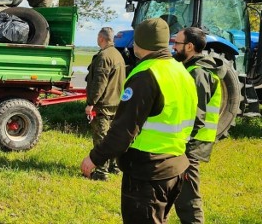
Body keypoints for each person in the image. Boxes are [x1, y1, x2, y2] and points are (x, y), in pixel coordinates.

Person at [80, 18, 198, 223]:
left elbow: (123, 129)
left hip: (148, 173)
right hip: (175, 168)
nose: (133, 45)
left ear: (142, 43)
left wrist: (95, 158)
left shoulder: (146, 75)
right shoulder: (182, 72)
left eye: (136, 40)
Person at [172, 27, 225, 224]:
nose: (173, 47)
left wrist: (182, 142)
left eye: (177, 43)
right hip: (186, 141)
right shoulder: (190, 68)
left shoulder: (199, 73)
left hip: (191, 143)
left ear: (190, 46)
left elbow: (197, 115)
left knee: (188, 197)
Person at [84, 27, 126, 181]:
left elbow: (99, 83)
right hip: (116, 103)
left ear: (101, 38)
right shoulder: (118, 55)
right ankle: (114, 166)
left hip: (104, 105)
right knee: (113, 138)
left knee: (101, 139)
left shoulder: (104, 56)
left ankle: (101, 172)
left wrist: (91, 103)